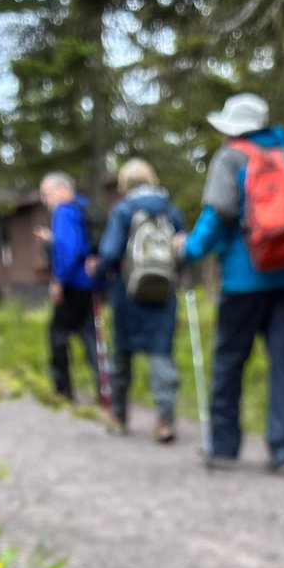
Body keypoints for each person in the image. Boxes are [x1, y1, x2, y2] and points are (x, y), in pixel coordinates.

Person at [173, 92, 284, 474]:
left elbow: (218, 213)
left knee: (230, 361)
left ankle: (223, 447)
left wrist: (188, 249)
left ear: (232, 129)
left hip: (245, 278)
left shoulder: (230, 157)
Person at [91, 159, 185, 441]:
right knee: (161, 354)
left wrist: (97, 269)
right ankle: (164, 420)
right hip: (164, 292)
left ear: (124, 184)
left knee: (122, 354)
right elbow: (182, 250)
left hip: (129, 292)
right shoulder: (172, 211)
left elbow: (109, 252)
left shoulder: (123, 210)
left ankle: (118, 416)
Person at [37, 172, 101, 403]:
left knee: (58, 336)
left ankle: (63, 391)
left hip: (72, 285)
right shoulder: (83, 207)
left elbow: (68, 250)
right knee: (91, 337)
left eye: (47, 194)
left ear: (62, 189)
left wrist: (58, 281)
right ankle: (105, 390)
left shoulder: (63, 211)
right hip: (92, 284)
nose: (45, 200)